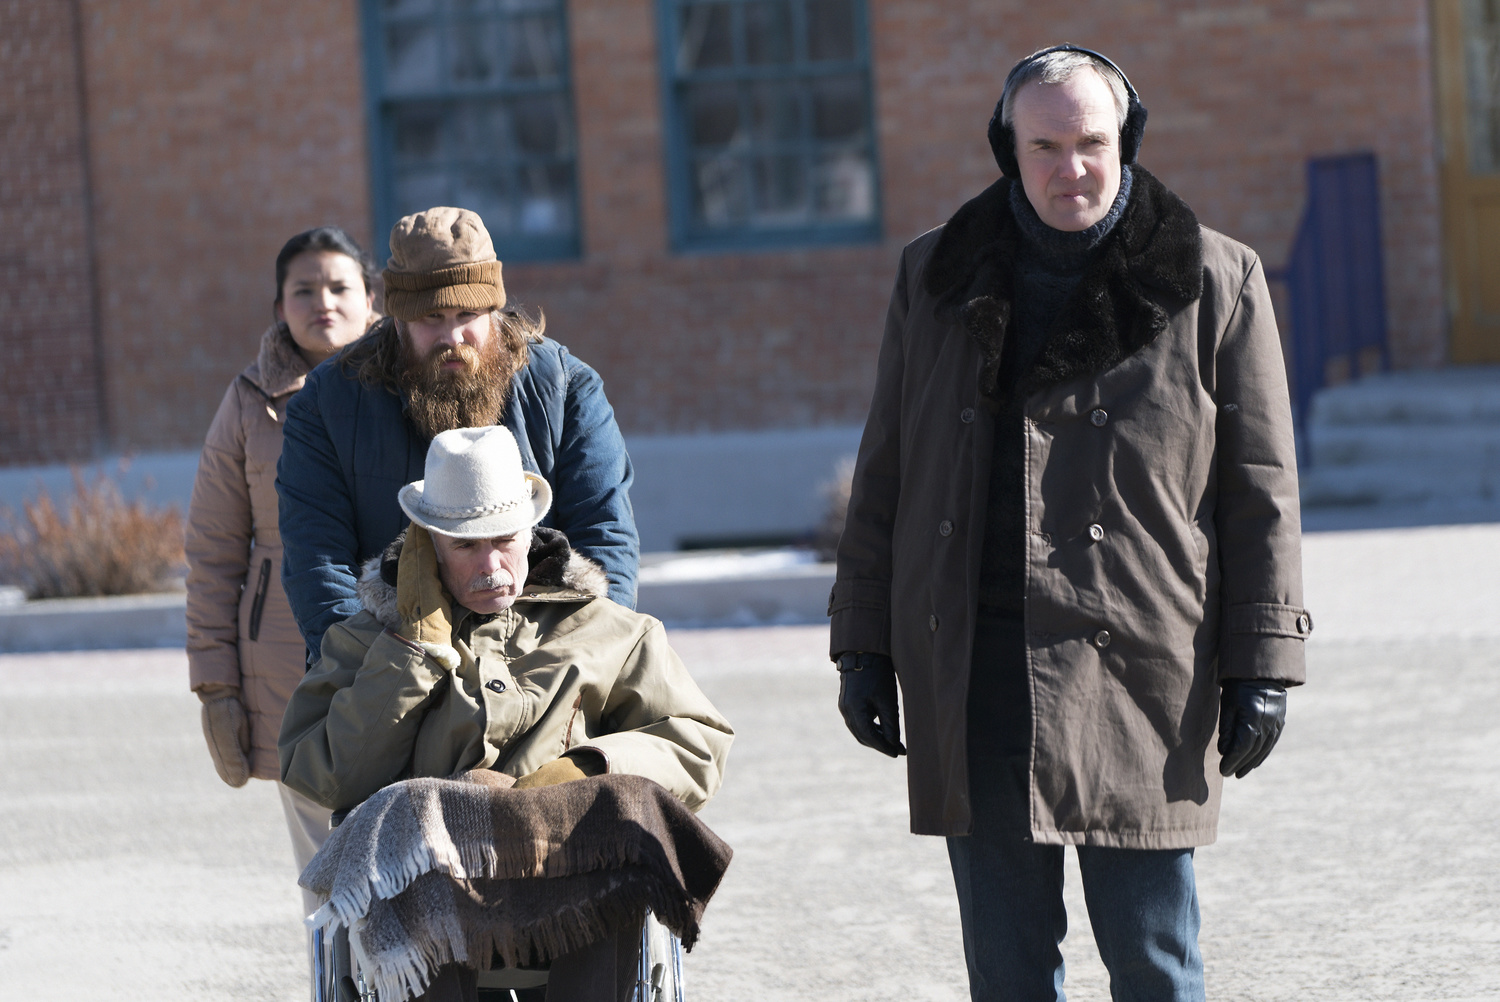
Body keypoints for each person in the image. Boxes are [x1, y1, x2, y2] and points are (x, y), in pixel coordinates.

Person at [828, 45, 1312, 1000]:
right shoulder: (935, 275)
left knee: (1154, 962)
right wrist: (861, 644)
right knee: (1006, 970)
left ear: (1125, 141)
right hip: (977, 672)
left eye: (1092, 142)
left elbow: (1262, 490)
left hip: (1141, 670)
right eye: (1045, 145)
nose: (1071, 168)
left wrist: (1263, 659)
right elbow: (886, 469)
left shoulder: (1216, 279)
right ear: (1008, 148)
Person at [278, 424, 732, 1001]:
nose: (491, 564)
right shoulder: (368, 642)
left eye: (504, 540)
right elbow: (322, 774)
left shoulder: (612, 631)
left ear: (533, 532)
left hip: (568, 869)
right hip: (438, 883)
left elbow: (698, 741)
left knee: (618, 822)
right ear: (428, 547)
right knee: (413, 838)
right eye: (466, 546)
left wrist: (591, 766)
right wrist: (415, 650)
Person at [278, 206, 638, 666]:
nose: (452, 336)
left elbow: (605, 534)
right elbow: (318, 562)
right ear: (398, 319)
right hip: (389, 662)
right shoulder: (327, 404)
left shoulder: (567, 388)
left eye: (467, 312)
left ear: (494, 307)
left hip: (543, 658)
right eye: (431, 317)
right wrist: (374, 678)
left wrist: (578, 664)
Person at [185, 226, 377, 906]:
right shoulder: (246, 403)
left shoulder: (407, 382)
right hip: (286, 662)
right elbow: (212, 553)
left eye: (339, 286)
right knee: (326, 889)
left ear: (371, 301)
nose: (322, 301)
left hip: (402, 645)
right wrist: (216, 687)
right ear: (278, 307)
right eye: (303, 289)